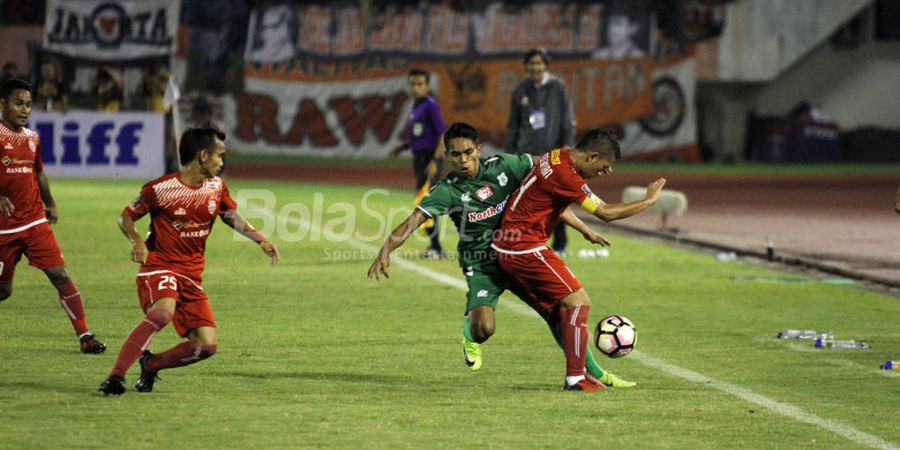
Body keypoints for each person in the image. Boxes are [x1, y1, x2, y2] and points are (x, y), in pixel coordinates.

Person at [369, 122, 620, 385]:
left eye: (468, 152)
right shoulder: (447, 190)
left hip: (518, 254)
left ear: (479, 149)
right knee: (484, 329)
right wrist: (386, 249)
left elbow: (550, 180)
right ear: (447, 156)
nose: (463, 160)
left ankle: (593, 373)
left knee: (558, 313)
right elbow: (414, 220)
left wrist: (584, 229)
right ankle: (470, 333)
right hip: (481, 263)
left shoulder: (505, 166)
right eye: (455, 155)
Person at [98, 127, 281, 396]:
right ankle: (116, 376)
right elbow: (125, 217)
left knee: (206, 346)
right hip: (160, 266)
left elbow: (229, 215)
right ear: (203, 155)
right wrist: (137, 240)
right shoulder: (160, 188)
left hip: (191, 276)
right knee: (162, 314)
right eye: (220, 156)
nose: (222, 162)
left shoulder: (217, 187)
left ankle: (151, 364)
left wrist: (260, 239)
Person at [492, 127, 665, 392]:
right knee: (578, 301)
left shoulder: (557, 156)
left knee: (559, 313)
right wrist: (649, 200)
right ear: (592, 156)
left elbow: (554, 205)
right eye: (604, 166)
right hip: (522, 247)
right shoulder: (567, 176)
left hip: (511, 244)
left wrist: (586, 231)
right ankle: (575, 378)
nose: (605, 173)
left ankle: (585, 372)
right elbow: (606, 212)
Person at [0, 78, 106, 354]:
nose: (24, 110)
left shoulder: (32, 138)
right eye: (18, 103)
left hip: (34, 221)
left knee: (60, 274)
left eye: (28, 104)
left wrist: (51, 202)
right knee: (3, 291)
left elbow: (39, 173)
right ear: (2, 104)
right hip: (3, 230)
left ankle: (85, 335)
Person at [504, 47, 575, 256]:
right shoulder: (520, 91)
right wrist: (510, 156)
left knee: (557, 199)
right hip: (526, 154)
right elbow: (512, 126)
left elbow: (567, 119)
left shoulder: (558, 88)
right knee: (525, 199)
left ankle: (560, 245)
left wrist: (567, 145)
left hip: (552, 153)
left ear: (546, 65)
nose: (535, 67)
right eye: (532, 63)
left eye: (539, 63)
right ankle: (525, 243)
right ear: (526, 66)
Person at [388, 69, 447, 259]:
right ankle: (434, 246)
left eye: (420, 84)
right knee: (425, 201)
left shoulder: (430, 105)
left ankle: (436, 247)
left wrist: (435, 161)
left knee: (426, 202)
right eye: (412, 84)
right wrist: (403, 147)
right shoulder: (417, 105)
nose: (415, 88)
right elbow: (421, 135)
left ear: (428, 86)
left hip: (429, 158)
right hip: (420, 158)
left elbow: (442, 135)